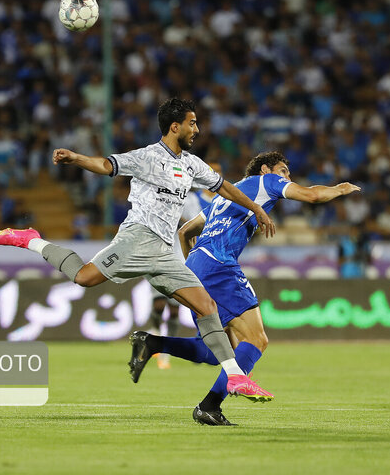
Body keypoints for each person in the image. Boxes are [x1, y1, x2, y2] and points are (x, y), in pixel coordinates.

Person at [0, 98, 277, 401]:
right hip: (138, 239)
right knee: (84, 277)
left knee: (207, 307)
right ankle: (31, 239)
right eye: (192, 123)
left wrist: (256, 209)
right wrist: (76, 158)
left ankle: (235, 377)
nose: (197, 129)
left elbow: (225, 187)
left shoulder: (192, 164)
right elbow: (106, 165)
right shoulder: (147, 157)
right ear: (175, 126)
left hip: (167, 250)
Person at [128, 151, 361, 425]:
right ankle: (209, 406)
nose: (287, 177)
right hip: (219, 266)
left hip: (197, 264)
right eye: (284, 170)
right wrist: (339, 189)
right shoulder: (267, 182)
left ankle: (153, 342)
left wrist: (194, 267)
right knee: (257, 340)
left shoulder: (227, 194)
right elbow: (312, 195)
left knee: (216, 351)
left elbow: (185, 231)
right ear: (266, 169)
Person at [150, 160, 223, 370]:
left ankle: (165, 352)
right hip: (161, 256)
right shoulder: (187, 198)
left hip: (186, 260)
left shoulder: (219, 201)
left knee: (174, 311)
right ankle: (155, 335)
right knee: (158, 305)